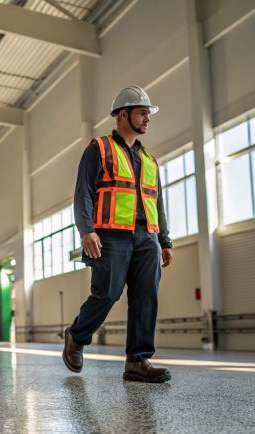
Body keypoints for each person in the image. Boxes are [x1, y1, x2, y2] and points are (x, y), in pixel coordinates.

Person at [63, 86, 173, 383]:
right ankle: (76, 335)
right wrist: (87, 230)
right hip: (110, 235)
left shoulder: (149, 159)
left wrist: (164, 240)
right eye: (142, 113)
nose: (147, 118)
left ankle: (138, 361)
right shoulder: (99, 148)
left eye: (149, 113)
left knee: (145, 296)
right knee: (107, 293)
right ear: (123, 115)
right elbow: (83, 193)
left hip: (146, 236)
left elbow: (157, 200)